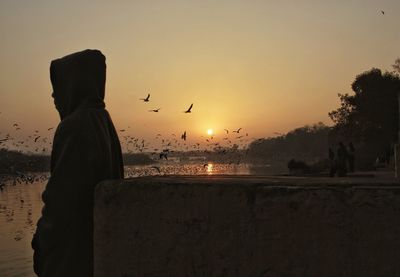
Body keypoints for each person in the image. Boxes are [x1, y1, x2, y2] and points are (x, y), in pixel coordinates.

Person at [31, 49, 124, 277]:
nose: (54, 97)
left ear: (74, 85)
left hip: (72, 254)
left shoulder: (74, 126)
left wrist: (40, 242)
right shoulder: (103, 120)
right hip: (97, 248)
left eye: (58, 87)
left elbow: (61, 201)